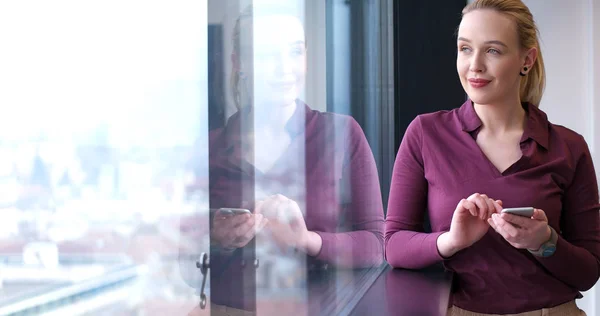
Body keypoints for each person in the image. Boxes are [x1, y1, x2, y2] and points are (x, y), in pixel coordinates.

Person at [385, 0, 600, 315]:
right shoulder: (425, 133)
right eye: (465, 49)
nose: (475, 66)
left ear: (526, 60)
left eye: (493, 51)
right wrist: (451, 240)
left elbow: (589, 272)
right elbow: (393, 246)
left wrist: (546, 242)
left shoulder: (569, 146)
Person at [185, 2, 385, 314]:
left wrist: (307, 240)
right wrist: (214, 233)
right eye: (266, 53)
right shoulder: (208, 147)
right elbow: (174, 248)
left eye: (294, 52)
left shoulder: (343, 134)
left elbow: (378, 246)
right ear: (240, 62)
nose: (284, 68)